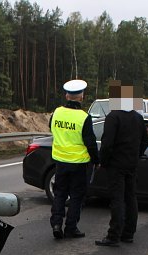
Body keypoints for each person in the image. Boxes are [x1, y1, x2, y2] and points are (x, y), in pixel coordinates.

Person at [95, 81, 148, 247]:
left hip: (116, 165)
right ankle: (128, 233)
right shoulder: (138, 118)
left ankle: (113, 236)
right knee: (131, 198)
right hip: (132, 164)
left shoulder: (113, 117)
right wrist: (136, 155)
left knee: (117, 199)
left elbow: (107, 144)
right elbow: (145, 142)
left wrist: (103, 162)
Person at [49, 79, 99, 239]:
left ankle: (56, 223)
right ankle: (71, 227)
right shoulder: (84, 117)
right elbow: (90, 142)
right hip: (79, 163)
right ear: (82, 97)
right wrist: (96, 160)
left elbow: (51, 128)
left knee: (59, 194)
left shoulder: (56, 112)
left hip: (60, 162)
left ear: (66, 95)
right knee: (76, 196)